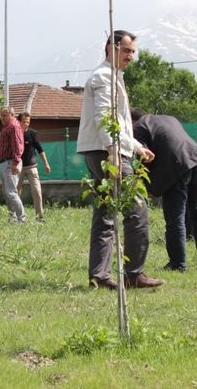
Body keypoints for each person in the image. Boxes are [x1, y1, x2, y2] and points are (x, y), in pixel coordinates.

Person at [77, 30, 164, 289]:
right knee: (137, 210)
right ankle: (134, 274)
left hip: (103, 151)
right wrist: (114, 152)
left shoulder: (113, 76)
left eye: (133, 51)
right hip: (107, 153)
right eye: (126, 50)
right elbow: (104, 118)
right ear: (110, 48)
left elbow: (119, 124)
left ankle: (99, 276)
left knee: (104, 215)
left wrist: (136, 147)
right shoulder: (104, 76)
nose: (131, 56)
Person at [131, 108, 197, 272]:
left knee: (175, 219)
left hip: (175, 166)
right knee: (195, 214)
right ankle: (178, 263)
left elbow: (145, 158)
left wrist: (145, 185)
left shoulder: (138, 127)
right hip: (194, 157)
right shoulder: (169, 118)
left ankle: (178, 265)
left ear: (131, 121)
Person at [16, 112, 51, 222]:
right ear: (19, 122)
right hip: (18, 167)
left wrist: (46, 163)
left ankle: (39, 217)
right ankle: (17, 217)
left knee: (36, 190)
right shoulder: (15, 134)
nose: (26, 124)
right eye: (24, 122)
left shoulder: (33, 133)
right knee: (16, 192)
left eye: (28, 122)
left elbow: (40, 148)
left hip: (32, 166)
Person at [0, 106, 26, 223]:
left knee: (11, 192)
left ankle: (22, 219)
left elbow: (18, 145)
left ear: (12, 115)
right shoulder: (8, 127)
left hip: (10, 162)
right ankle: (13, 218)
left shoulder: (13, 126)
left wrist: (15, 162)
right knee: (6, 192)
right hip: (5, 162)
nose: (2, 118)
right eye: (1, 115)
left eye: (4, 115)